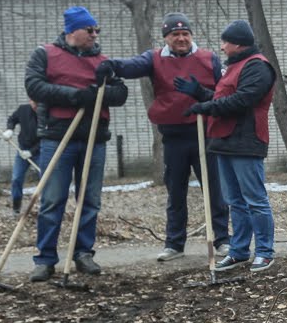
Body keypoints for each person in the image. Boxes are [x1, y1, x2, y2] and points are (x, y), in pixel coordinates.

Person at [96, 13, 230, 262]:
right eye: (175, 34)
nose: (181, 38)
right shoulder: (155, 58)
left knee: (214, 190)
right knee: (175, 192)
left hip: (205, 134)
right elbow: (131, 66)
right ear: (166, 38)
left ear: (191, 36)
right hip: (173, 136)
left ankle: (222, 239)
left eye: (185, 34)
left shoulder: (208, 58)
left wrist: (202, 93)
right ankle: (174, 244)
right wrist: (110, 65)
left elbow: (224, 94)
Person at [24, 6, 128, 281]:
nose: (95, 35)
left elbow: (120, 92)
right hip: (57, 136)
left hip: (94, 137)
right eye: (89, 30)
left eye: (97, 30)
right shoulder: (45, 54)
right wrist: (75, 95)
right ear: (72, 31)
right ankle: (45, 259)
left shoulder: (102, 61)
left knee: (90, 200)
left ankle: (83, 253)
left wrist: (99, 93)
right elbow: (34, 86)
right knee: (52, 199)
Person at [176, 21, 278, 272]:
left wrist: (207, 107)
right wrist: (200, 93)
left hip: (246, 141)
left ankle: (265, 252)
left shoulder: (258, 66)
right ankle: (239, 251)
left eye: (225, 42)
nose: (221, 47)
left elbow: (243, 100)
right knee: (235, 201)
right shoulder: (233, 66)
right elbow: (223, 98)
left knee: (255, 199)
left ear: (238, 43)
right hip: (224, 141)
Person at [4, 100, 40, 215]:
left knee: (44, 178)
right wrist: (10, 129)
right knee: (16, 178)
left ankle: (46, 207)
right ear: (30, 101)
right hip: (22, 150)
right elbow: (12, 119)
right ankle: (16, 208)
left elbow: (47, 137)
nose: (36, 106)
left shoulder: (46, 113)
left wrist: (32, 152)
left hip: (40, 152)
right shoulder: (23, 109)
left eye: (38, 104)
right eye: (34, 103)